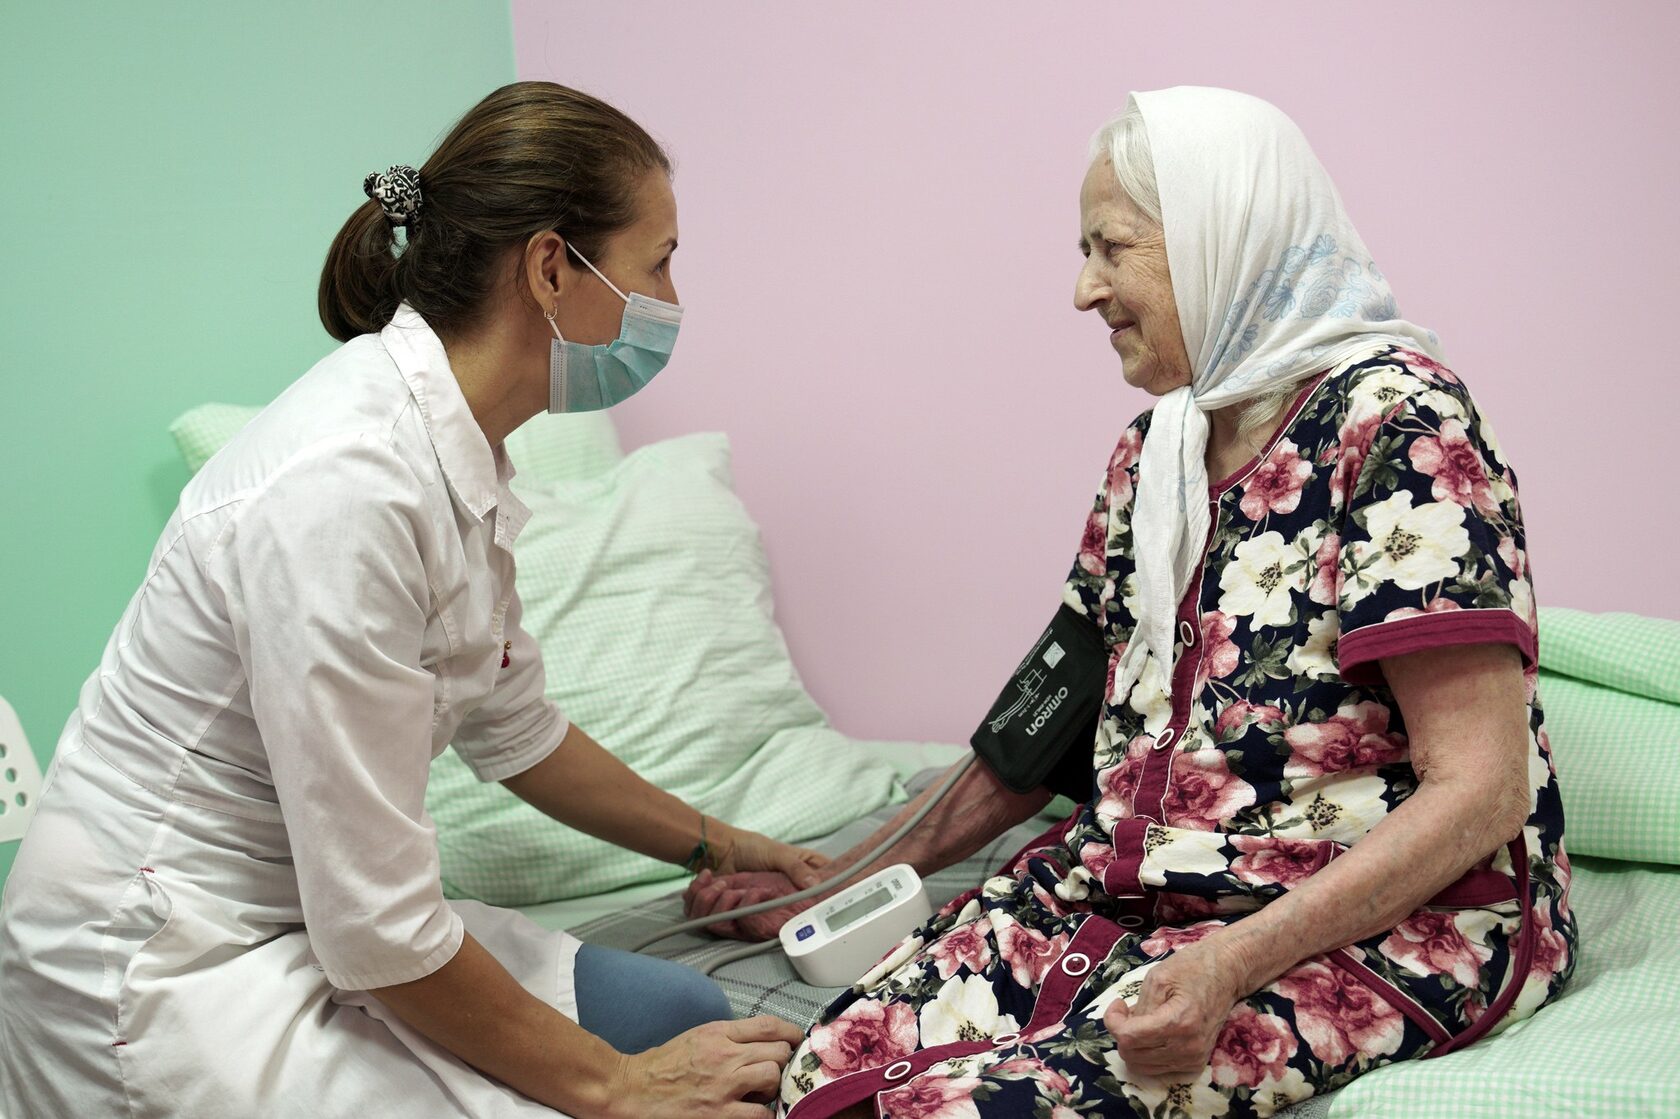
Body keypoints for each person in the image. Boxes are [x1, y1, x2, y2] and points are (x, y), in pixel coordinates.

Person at [686, 87, 1576, 1119]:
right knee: (819, 1074)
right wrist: (834, 879)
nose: (1084, 290)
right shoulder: (1155, 452)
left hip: (1374, 922)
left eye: (1112, 249)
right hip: (1129, 890)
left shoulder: (1399, 424)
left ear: (1216, 239)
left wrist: (1227, 964)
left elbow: (1483, 790)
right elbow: (1038, 735)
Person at [0, 81, 816, 1119]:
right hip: (165, 960)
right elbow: (379, 926)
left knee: (682, 1012)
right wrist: (615, 1087)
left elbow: (518, 732)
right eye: (657, 263)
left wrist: (727, 844)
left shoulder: (457, 454)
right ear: (552, 267)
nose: (671, 301)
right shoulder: (344, 490)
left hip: (316, 916)